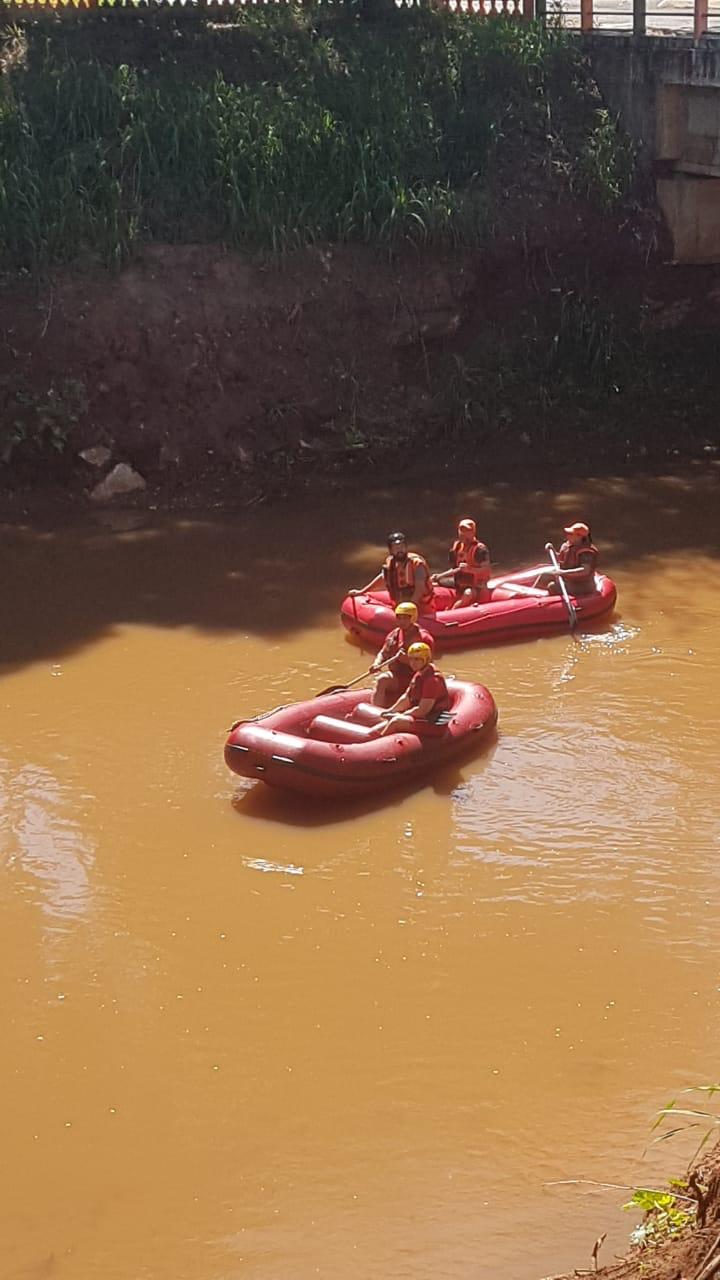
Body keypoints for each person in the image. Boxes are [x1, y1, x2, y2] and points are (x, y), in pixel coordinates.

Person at [369, 642, 450, 738]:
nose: (412, 663)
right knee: (378, 727)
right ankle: (371, 739)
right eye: (411, 659)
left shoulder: (432, 680)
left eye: (417, 659)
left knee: (396, 721)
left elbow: (422, 711)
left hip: (434, 722)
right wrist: (391, 711)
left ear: (426, 659)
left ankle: (379, 743)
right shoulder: (419, 674)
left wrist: (401, 714)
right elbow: (406, 698)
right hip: (423, 718)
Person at [370, 601, 435, 708]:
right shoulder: (394, 634)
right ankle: (375, 710)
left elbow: (427, 666)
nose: (401, 621)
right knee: (381, 679)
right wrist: (377, 663)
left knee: (383, 679)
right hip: (397, 676)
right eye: (399, 618)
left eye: (405, 618)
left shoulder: (423, 638)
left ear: (413, 618)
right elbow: (383, 652)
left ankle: (378, 711)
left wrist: (406, 660)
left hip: (415, 679)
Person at [350, 532, 434, 613]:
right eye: (396, 548)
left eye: (402, 547)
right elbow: (383, 578)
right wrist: (362, 591)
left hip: (421, 607)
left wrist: (410, 607)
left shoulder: (416, 563)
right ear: (391, 550)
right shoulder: (390, 562)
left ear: (406, 547)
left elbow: (420, 587)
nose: (400, 550)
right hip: (400, 604)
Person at [431, 517, 491, 609]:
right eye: (461, 530)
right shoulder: (456, 547)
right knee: (432, 583)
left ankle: (451, 612)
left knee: (468, 593)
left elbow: (485, 569)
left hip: (476, 586)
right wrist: (440, 576)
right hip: (459, 583)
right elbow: (455, 569)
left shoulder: (480, 549)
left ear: (473, 532)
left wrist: (470, 569)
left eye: (467, 531)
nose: (463, 533)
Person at [540, 521, 598, 595]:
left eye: (571, 534)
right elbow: (560, 560)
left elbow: (585, 570)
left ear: (579, 536)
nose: (567, 535)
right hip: (568, 579)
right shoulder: (568, 546)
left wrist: (562, 573)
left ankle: (548, 599)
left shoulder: (586, 552)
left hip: (582, 585)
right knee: (544, 576)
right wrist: (552, 550)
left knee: (552, 586)